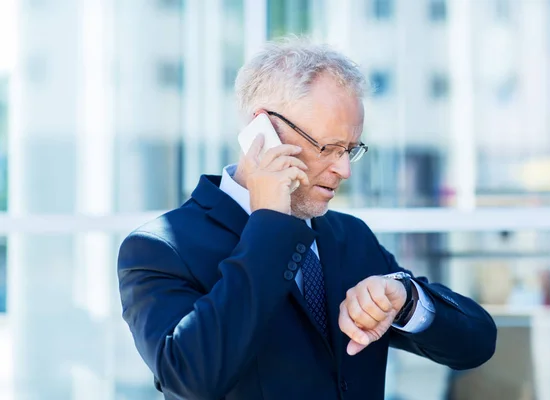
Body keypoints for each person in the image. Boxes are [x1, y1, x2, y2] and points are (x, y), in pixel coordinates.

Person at [117, 38, 497, 400]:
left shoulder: (350, 237)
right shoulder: (161, 249)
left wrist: (406, 301)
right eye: (329, 148)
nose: (344, 169)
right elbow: (191, 382)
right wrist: (268, 222)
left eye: (350, 149)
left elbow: (477, 344)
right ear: (261, 132)